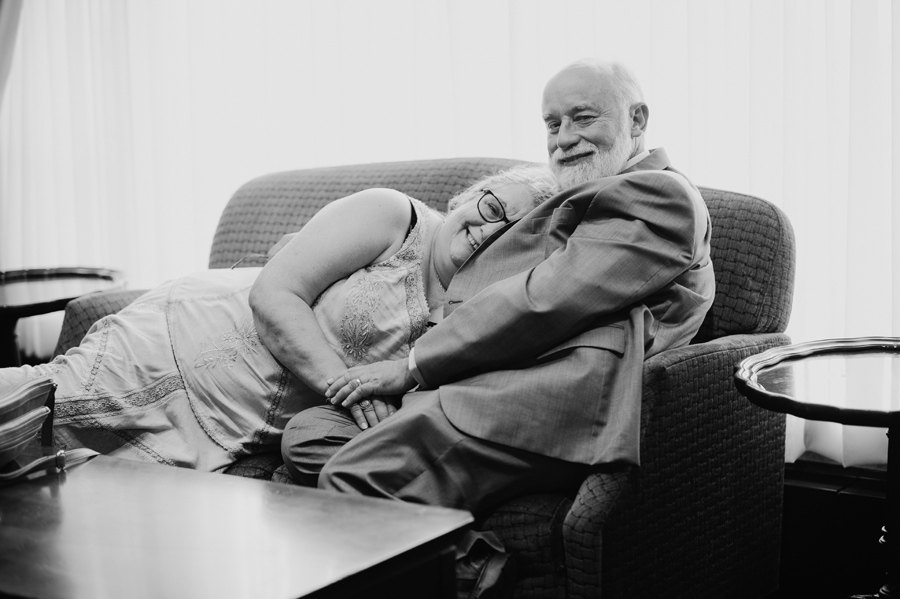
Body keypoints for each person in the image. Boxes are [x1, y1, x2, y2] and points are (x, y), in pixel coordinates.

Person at [279, 58, 716, 522]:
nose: (564, 137)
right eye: (552, 124)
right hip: (487, 376)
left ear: (637, 119)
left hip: (534, 400)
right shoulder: (600, 194)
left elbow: (545, 299)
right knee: (309, 434)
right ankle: (460, 549)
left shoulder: (661, 197)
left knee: (351, 477)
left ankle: (478, 573)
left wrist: (412, 366)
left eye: (583, 117)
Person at [0, 164, 559, 471]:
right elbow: (275, 294)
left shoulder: (478, 313)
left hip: (236, 430)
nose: (488, 231)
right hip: (180, 346)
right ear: (467, 196)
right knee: (28, 417)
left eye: (509, 234)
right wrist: (354, 391)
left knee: (55, 491)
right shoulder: (394, 215)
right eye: (491, 208)